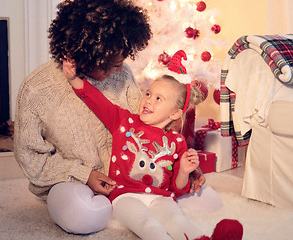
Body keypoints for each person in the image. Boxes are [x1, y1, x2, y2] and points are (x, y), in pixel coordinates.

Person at [14, 0, 220, 235]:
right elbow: (32, 160)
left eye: (122, 61)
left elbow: (151, 131)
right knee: (81, 214)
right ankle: (120, 207)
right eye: (113, 64)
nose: (120, 69)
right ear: (91, 56)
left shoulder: (122, 74)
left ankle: (130, 208)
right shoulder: (36, 89)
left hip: (134, 181)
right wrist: (84, 175)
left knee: (209, 200)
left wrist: (185, 169)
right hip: (75, 182)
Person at [67, 73, 243, 240]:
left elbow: (177, 187)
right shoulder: (124, 121)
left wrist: (184, 170)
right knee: (147, 224)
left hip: (160, 197)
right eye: (148, 93)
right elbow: (97, 101)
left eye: (158, 99)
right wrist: (74, 78)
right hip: (125, 196)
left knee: (177, 220)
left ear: (174, 114)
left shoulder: (177, 141)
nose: (148, 100)